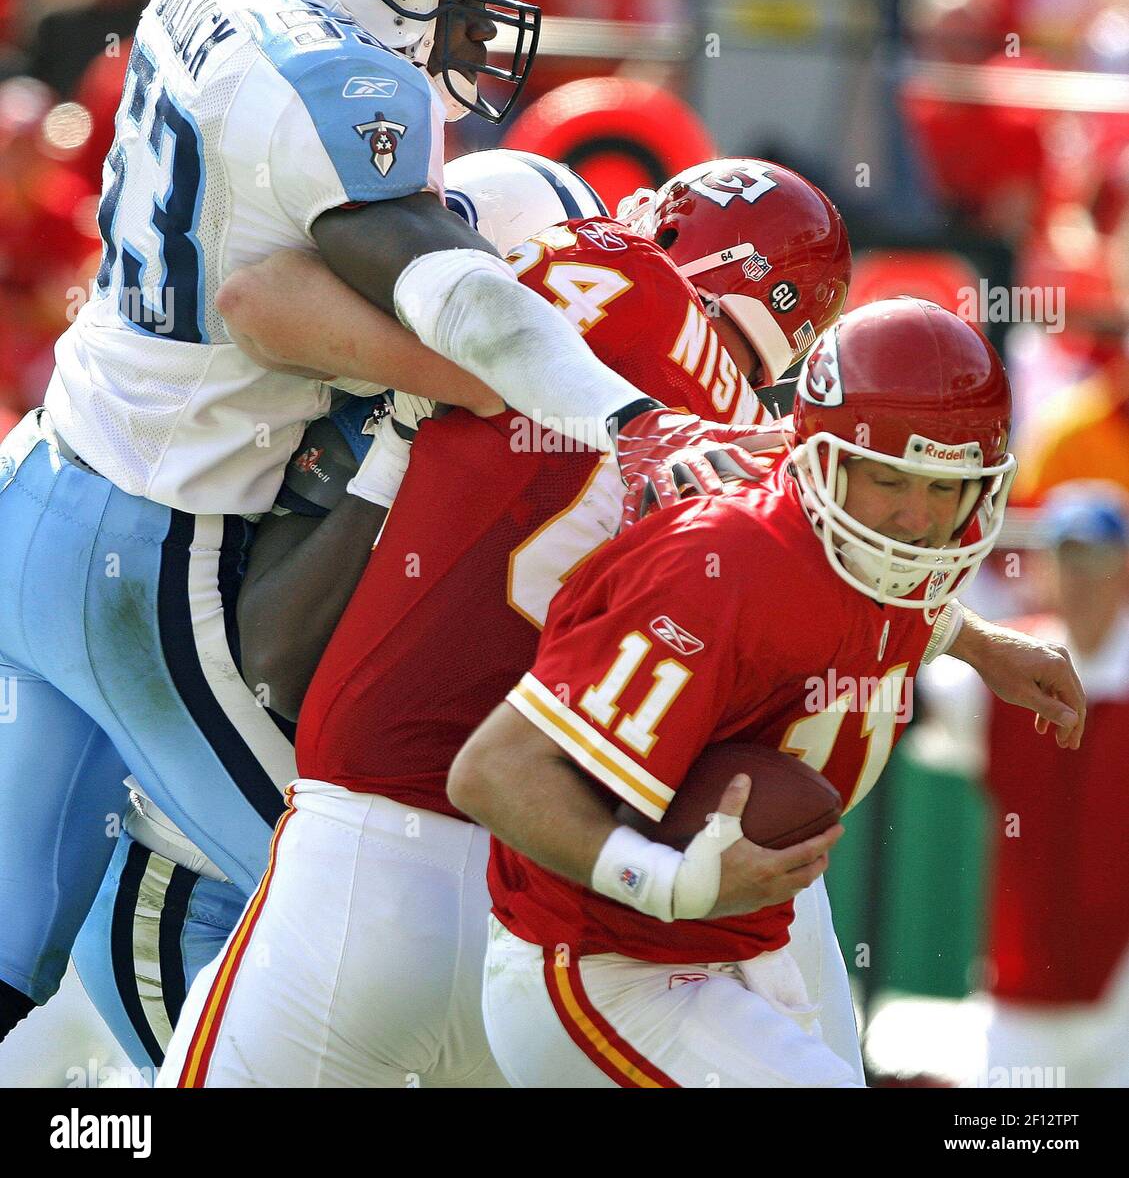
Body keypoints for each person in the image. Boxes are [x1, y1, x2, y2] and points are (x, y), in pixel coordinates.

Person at [0, 0, 733, 1049]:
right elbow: (436, 289)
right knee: (322, 884)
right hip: (148, 546)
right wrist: (620, 412)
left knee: (13, 941)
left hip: (39, 480)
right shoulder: (344, 87)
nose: (473, 27)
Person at [156, 155, 852, 1088]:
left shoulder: (610, 272)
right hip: (538, 901)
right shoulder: (761, 473)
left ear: (678, 232)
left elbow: (258, 296)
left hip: (369, 854)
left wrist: (425, 388)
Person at [447, 299, 1086, 1088]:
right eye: (888, 479)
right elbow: (492, 773)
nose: (916, 520)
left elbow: (864, 586)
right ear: (821, 459)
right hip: (608, 965)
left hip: (743, 940)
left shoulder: (863, 543)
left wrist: (976, 641)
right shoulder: (721, 570)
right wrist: (667, 879)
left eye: (944, 488)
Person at [923, 480, 1129, 1088]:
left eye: (1094, 558)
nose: (1079, 577)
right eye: (1065, 558)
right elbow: (902, 702)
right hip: (1021, 976)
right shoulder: (1005, 669)